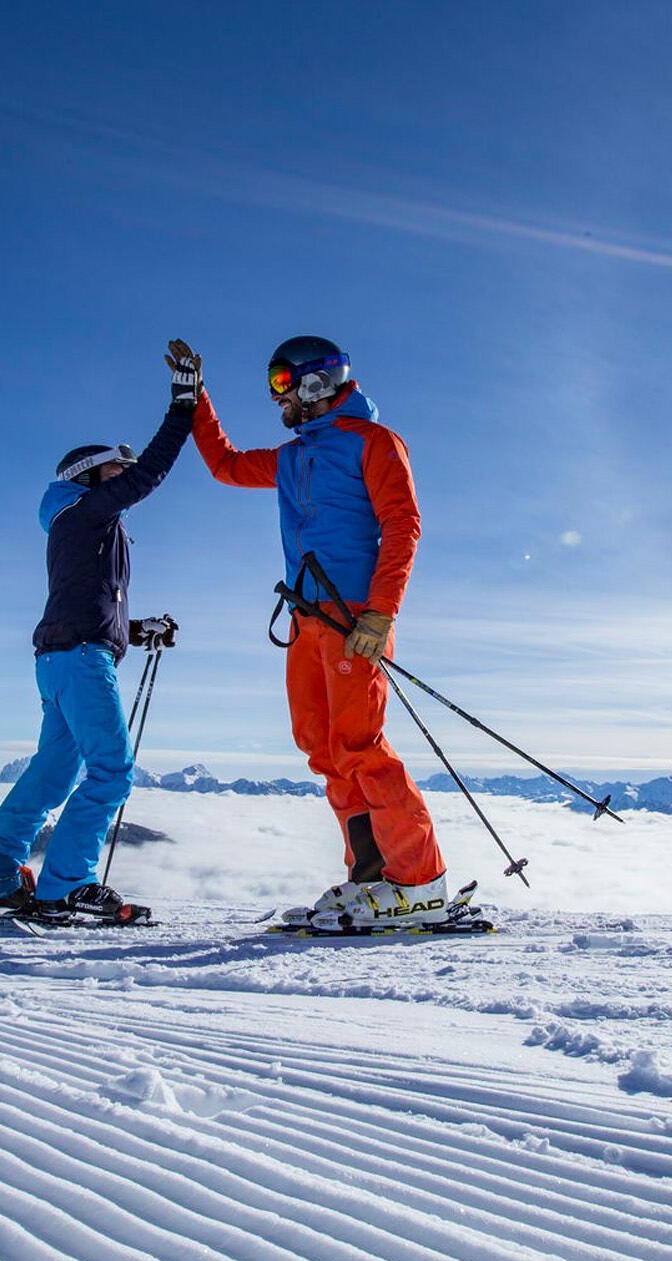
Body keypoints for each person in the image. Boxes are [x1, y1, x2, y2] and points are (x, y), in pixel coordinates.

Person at [168, 335, 448, 930]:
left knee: (360, 745)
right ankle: (371, 877)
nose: (277, 398)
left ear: (317, 381)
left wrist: (381, 612)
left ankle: (419, 882)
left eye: (282, 384)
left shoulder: (373, 442)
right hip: (305, 618)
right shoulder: (293, 457)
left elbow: (403, 523)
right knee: (322, 747)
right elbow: (225, 466)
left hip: (354, 616)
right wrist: (196, 400)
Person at [0, 364, 192, 921]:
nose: (123, 481)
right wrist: (183, 407)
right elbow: (149, 474)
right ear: (90, 476)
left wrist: (137, 629)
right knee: (112, 771)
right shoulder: (84, 509)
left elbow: (85, 601)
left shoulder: (77, 524)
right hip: (81, 661)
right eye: (115, 472)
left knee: (50, 774)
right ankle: (66, 886)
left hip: (61, 659)